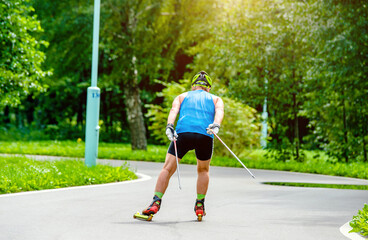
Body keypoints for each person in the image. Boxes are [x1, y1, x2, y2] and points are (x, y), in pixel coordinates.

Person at [141, 71, 224, 220]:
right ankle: (200, 205)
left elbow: (174, 111)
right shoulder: (216, 99)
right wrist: (216, 125)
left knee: (167, 168)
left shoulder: (182, 96)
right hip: (205, 134)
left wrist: (169, 126)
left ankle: (155, 202)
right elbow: (219, 112)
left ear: (193, 86)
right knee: (203, 170)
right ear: (208, 88)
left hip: (183, 134)